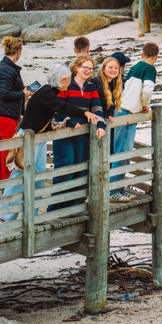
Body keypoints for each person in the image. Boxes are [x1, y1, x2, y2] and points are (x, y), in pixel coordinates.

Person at [0, 64, 101, 221]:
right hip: (27, 138)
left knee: (38, 177)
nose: (69, 82)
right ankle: (4, 216)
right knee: (20, 175)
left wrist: (57, 124)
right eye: (67, 80)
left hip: (37, 138)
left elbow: (47, 113)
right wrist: (84, 112)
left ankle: (31, 216)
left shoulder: (50, 92)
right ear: (62, 80)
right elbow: (62, 106)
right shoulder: (46, 93)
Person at [50, 55, 107, 210]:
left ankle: (76, 210)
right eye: (85, 67)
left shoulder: (91, 88)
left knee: (81, 172)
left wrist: (101, 125)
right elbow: (57, 108)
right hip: (65, 136)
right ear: (76, 67)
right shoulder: (67, 85)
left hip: (83, 137)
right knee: (65, 173)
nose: (88, 70)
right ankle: (55, 211)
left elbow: (97, 109)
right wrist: (70, 121)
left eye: (90, 68)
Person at [115, 43, 158, 199]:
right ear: (156, 57)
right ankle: (114, 191)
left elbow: (128, 88)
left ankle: (118, 189)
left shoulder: (135, 67)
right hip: (128, 113)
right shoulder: (150, 69)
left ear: (142, 55)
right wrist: (145, 104)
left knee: (121, 151)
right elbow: (147, 89)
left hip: (121, 109)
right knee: (122, 153)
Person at [0, 36, 32, 181]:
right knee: (9, 148)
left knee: (5, 147)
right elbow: (5, 93)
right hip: (4, 113)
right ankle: (6, 181)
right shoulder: (8, 68)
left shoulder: (6, 66)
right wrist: (23, 93)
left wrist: (22, 90)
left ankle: (1, 179)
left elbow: (6, 90)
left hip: (2, 112)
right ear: (18, 51)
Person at [96, 52, 135, 202]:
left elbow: (112, 104)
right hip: (98, 126)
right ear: (104, 68)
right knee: (105, 157)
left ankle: (114, 189)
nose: (115, 70)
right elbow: (95, 104)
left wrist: (110, 114)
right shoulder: (97, 82)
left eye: (116, 68)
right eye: (111, 67)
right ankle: (109, 191)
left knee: (111, 154)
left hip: (108, 123)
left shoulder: (116, 83)